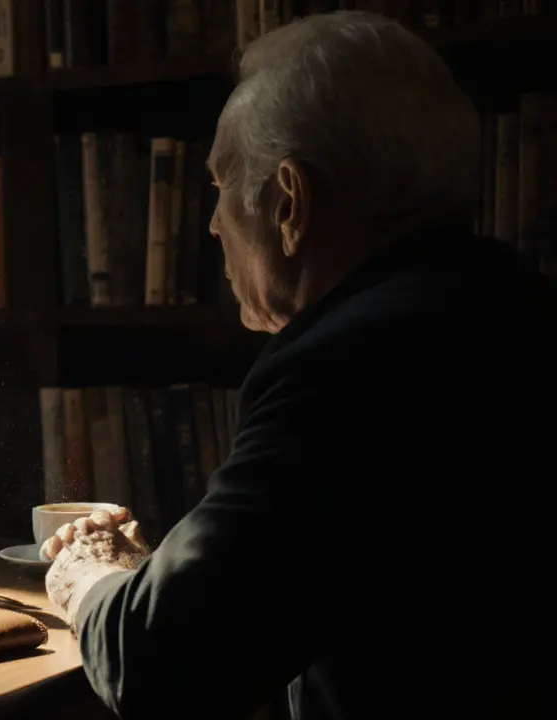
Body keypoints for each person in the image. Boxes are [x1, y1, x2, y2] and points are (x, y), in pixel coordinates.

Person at [42, 12, 553, 720]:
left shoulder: (349, 367)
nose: (215, 224)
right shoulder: (510, 304)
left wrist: (90, 577)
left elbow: (158, 662)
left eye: (222, 183)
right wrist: (166, 580)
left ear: (290, 201)